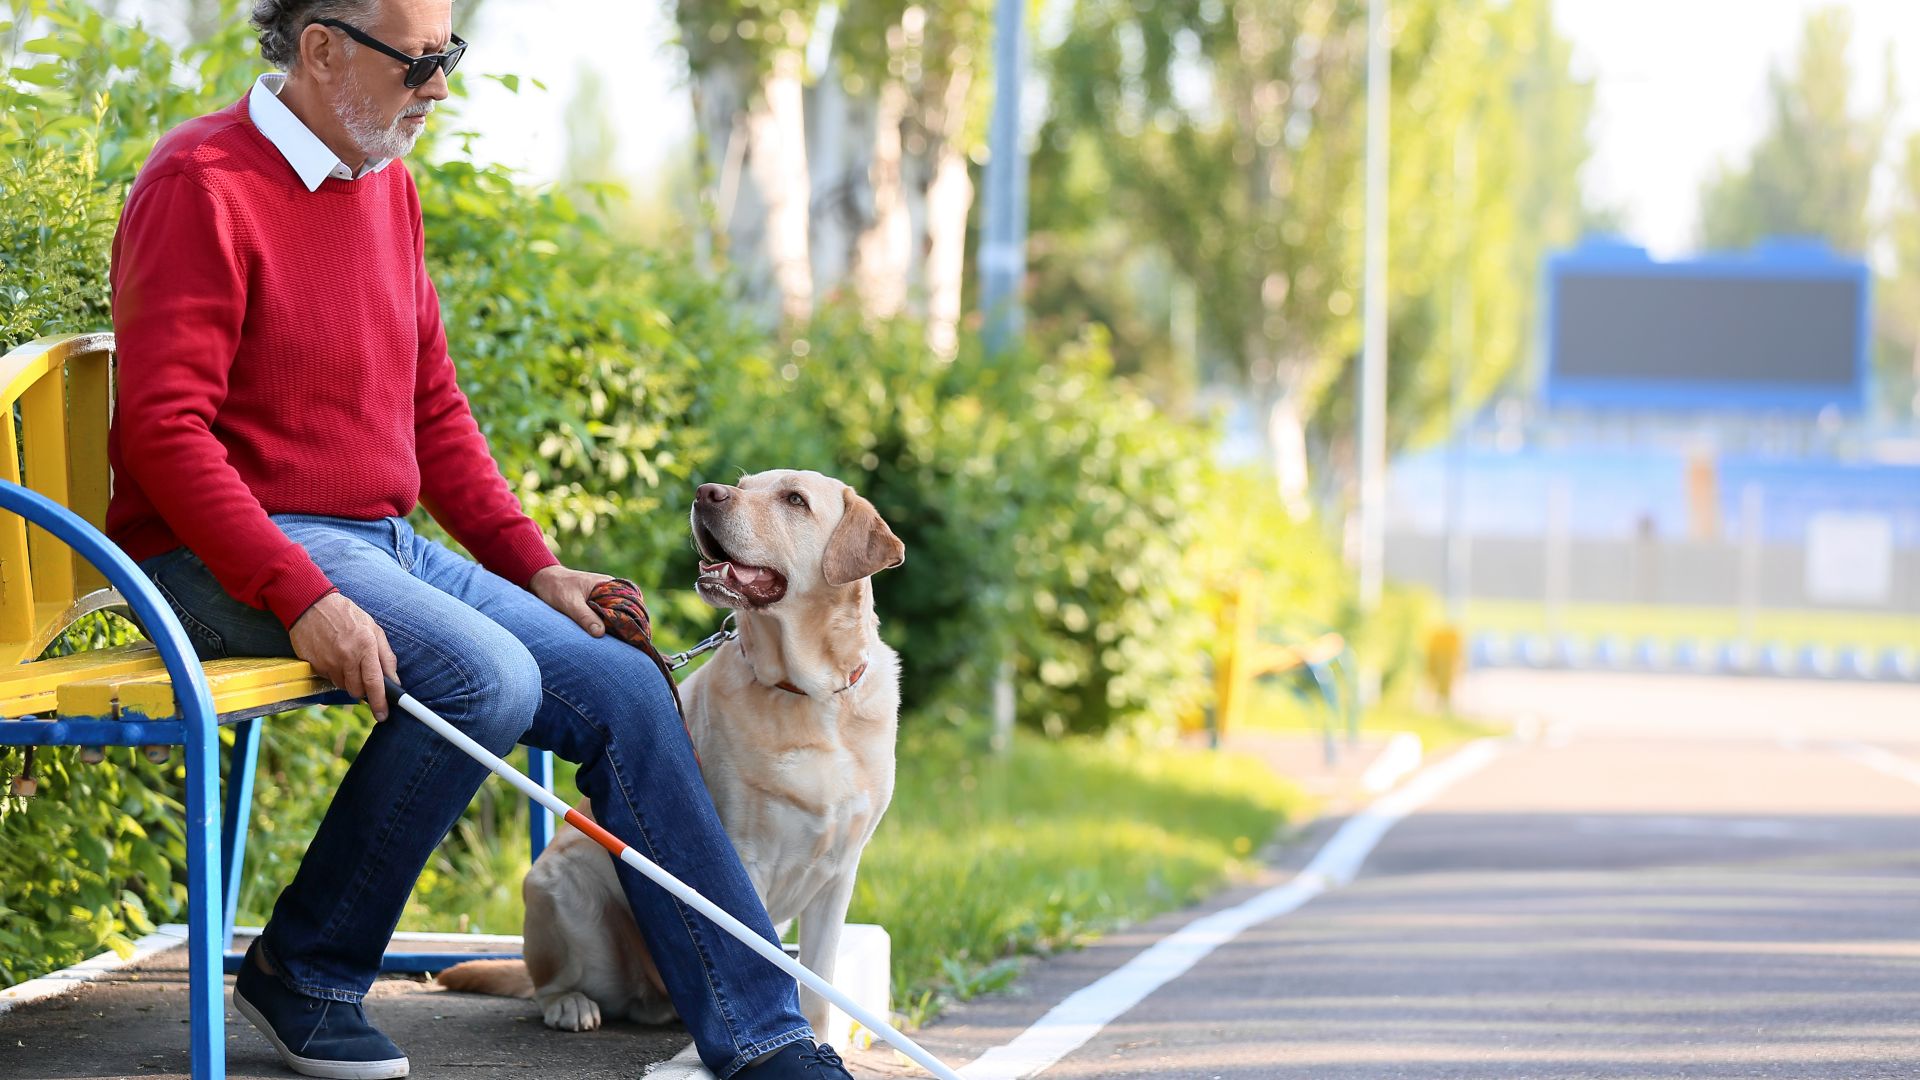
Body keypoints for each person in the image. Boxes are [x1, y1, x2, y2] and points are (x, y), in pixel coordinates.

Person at [107, 1, 852, 1077]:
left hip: (372, 540)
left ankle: (765, 1037)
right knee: (487, 680)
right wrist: (301, 591)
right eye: (419, 62)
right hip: (217, 553)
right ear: (320, 48)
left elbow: (435, 411)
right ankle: (304, 970)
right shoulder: (201, 185)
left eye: (449, 55)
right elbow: (165, 437)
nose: (440, 86)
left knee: (624, 683)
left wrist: (534, 565)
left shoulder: (387, 189)